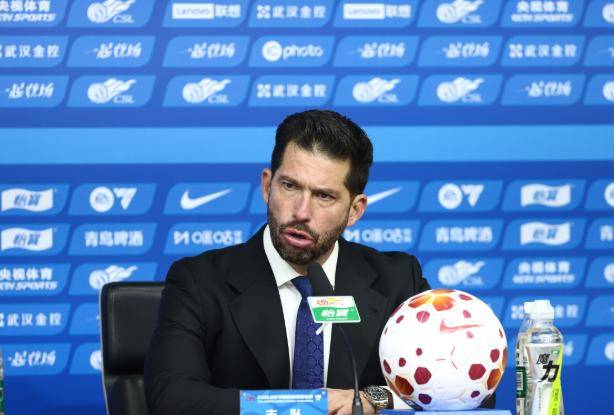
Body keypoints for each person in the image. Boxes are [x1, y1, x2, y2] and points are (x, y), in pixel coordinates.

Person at [144, 109, 430, 415]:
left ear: (355, 210)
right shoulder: (200, 281)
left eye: (324, 196)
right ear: (267, 186)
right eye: (290, 186)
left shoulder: (398, 282)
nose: (301, 212)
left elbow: (454, 389)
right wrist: (302, 407)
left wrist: (371, 398)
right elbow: (171, 397)